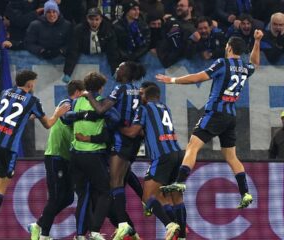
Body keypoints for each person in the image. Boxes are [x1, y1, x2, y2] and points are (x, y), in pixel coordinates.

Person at [155, 29, 264, 210]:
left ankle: (180, 182)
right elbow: (255, 63)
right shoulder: (244, 67)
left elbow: (198, 77)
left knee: (193, 146)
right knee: (231, 156)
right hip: (230, 116)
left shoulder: (222, 63)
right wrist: (257, 41)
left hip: (215, 113)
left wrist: (172, 80)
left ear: (228, 47)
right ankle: (245, 192)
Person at [0, 70, 70, 240]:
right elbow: (48, 124)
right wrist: (57, 114)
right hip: (7, 148)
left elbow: (11, 111)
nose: (34, 86)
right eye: (34, 83)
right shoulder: (33, 101)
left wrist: (26, 116)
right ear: (30, 84)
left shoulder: (5, 92)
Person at [84, 61, 145, 239]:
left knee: (115, 182)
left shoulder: (120, 89)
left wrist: (89, 96)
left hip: (121, 140)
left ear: (126, 72)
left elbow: (102, 109)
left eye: (119, 67)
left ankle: (125, 225)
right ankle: (136, 213)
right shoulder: (137, 90)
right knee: (120, 179)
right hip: (132, 142)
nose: (116, 69)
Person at [120, 84, 184, 240]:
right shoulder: (165, 108)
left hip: (162, 156)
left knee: (147, 197)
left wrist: (118, 127)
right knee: (172, 197)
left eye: (141, 95)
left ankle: (170, 226)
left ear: (145, 97)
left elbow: (133, 132)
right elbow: (147, 129)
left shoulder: (144, 109)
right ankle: (181, 236)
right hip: (178, 153)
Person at [27, 80, 85, 240]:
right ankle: (44, 235)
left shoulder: (76, 105)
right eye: (85, 93)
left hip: (65, 158)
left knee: (68, 198)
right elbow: (66, 117)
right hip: (55, 156)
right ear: (79, 92)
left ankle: (37, 225)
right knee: (55, 197)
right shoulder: (67, 103)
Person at [70, 72, 111, 240]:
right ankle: (94, 231)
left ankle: (80, 234)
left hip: (75, 155)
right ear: (101, 88)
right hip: (93, 154)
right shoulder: (101, 102)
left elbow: (67, 119)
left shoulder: (77, 102)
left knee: (84, 195)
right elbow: (111, 126)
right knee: (105, 192)